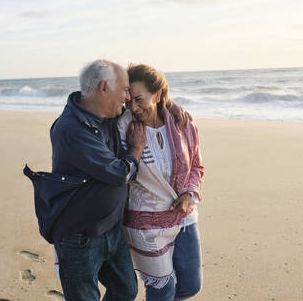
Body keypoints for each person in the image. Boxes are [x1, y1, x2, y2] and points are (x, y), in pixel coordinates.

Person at [50, 59, 190, 301]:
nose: (127, 98)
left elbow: (148, 99)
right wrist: (135, 149)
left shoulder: (106, 114)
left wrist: (168, 105)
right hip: (79, 235)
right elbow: (116, 174)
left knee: (126, 290)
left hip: (110, 229)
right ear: (104, 87)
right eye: (125, 90)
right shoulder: (72, 129)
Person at [118, 64, 204, 301]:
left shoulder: (182, 123)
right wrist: (134, 150)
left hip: (184, 216)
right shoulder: (123, 125)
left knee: (190, 285)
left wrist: (190, 193)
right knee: (163, 290)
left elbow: (196, 166)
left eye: (139, 99)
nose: (133, 108)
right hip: (145, 223)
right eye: (128, 101)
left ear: (158, 95)